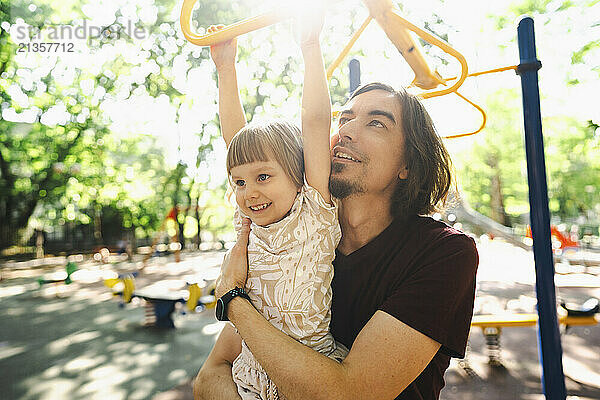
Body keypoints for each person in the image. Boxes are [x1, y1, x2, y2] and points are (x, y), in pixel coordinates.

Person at [195, 30, 478, 400]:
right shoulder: (281, 223)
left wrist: (231, 298)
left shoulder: (443, 252)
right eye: (344, 119)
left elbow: (351, 393)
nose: (344, 132)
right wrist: (225, 68)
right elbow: (210, 376)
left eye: (376, 122)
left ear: (408, 162)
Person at [206, 10, 348, 400]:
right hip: (249, 376)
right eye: (240, 182)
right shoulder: (248, 223)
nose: (249, 191)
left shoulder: (314, 211)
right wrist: (225, 69)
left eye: (263, 177)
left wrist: (310, 45)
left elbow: (316, 120)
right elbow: (236, 140)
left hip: (306, 371)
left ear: (297, 174)